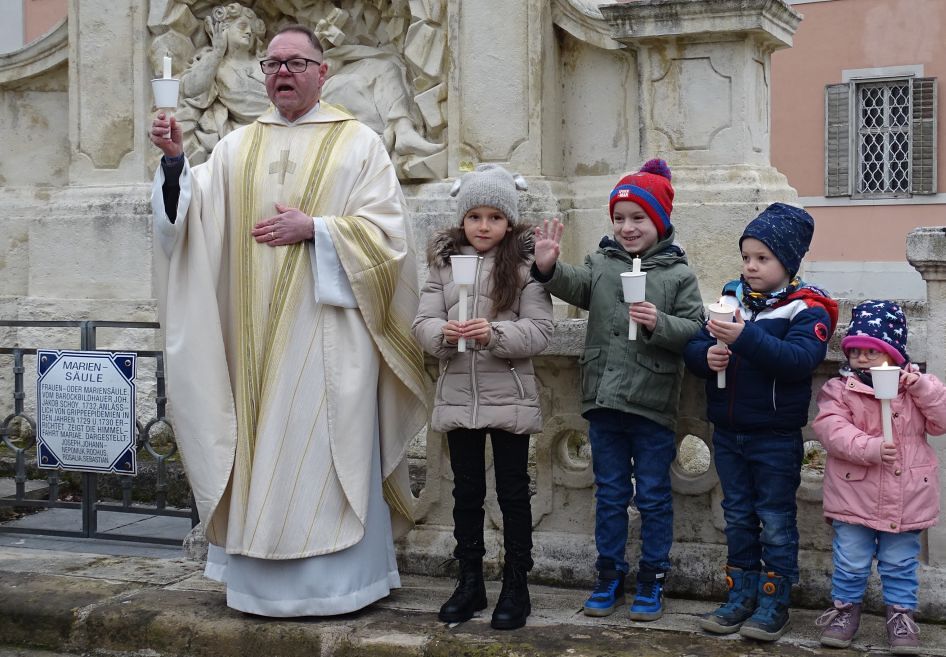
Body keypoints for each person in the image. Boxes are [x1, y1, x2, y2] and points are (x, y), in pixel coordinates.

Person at [148, 24, 428, 617]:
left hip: (332, 340)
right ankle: (260, 587)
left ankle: (343, 586)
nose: (282, 73)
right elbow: (188, 222)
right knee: (261, 449)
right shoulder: (235, 148)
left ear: (322, 73)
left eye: (296, 63)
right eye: (272, 64)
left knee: (328, 452)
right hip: (249, 345)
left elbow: (390, 240)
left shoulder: (359, 144)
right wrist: (174, 163)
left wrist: (318, 230)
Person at [532, 159, 704, 621]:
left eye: (638, 218)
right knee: (609, 494)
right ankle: (608, 575)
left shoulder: (678, 274)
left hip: (652, 404)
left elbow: (694, 328)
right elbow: (576, 285)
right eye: (620, 218)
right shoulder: (602, 263)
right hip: (603, 400)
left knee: (653, 495)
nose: (627, 227)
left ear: (660, 221)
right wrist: (548, 267)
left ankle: (652, 578)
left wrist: (658, 322)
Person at [684, 203, 838, 641]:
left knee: (775, 521)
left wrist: (745, 337)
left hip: (774, 436)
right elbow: (694, 346)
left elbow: (798, 360)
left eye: (762, 258)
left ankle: (774, 602)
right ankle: (740, 595)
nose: (750, 266)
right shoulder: (730, 299)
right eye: (746, 257)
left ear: (787, 262)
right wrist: (705, 356)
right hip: (728, 432)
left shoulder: (806, 310)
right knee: (737, 517)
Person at [412, 164, 553, 630]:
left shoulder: (525, 267)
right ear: (463, 220)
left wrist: (493, 333)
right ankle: (470, 580)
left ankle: (516, 584)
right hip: (459, 396)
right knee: (466, 492)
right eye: (475, 216)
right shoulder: (444, 263)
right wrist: (444, 333)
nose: (484, 226)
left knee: (512, 493)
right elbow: (422, 322)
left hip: (508, 396)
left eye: (495, 217)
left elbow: (540, 330)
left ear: (508, 222)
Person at [812, 300, 945, 653]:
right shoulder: (841, 389)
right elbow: (830, 428)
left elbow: (941, 420)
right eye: (856, 351)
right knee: (850, 559)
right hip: (854, 495)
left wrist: (921, 388)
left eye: (873, 351)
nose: (863, 359)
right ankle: (845, 611)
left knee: (900, 562)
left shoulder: (915, 388)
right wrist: (868, 447)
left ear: (894, 353)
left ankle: (900, 616)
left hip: (906, 497)